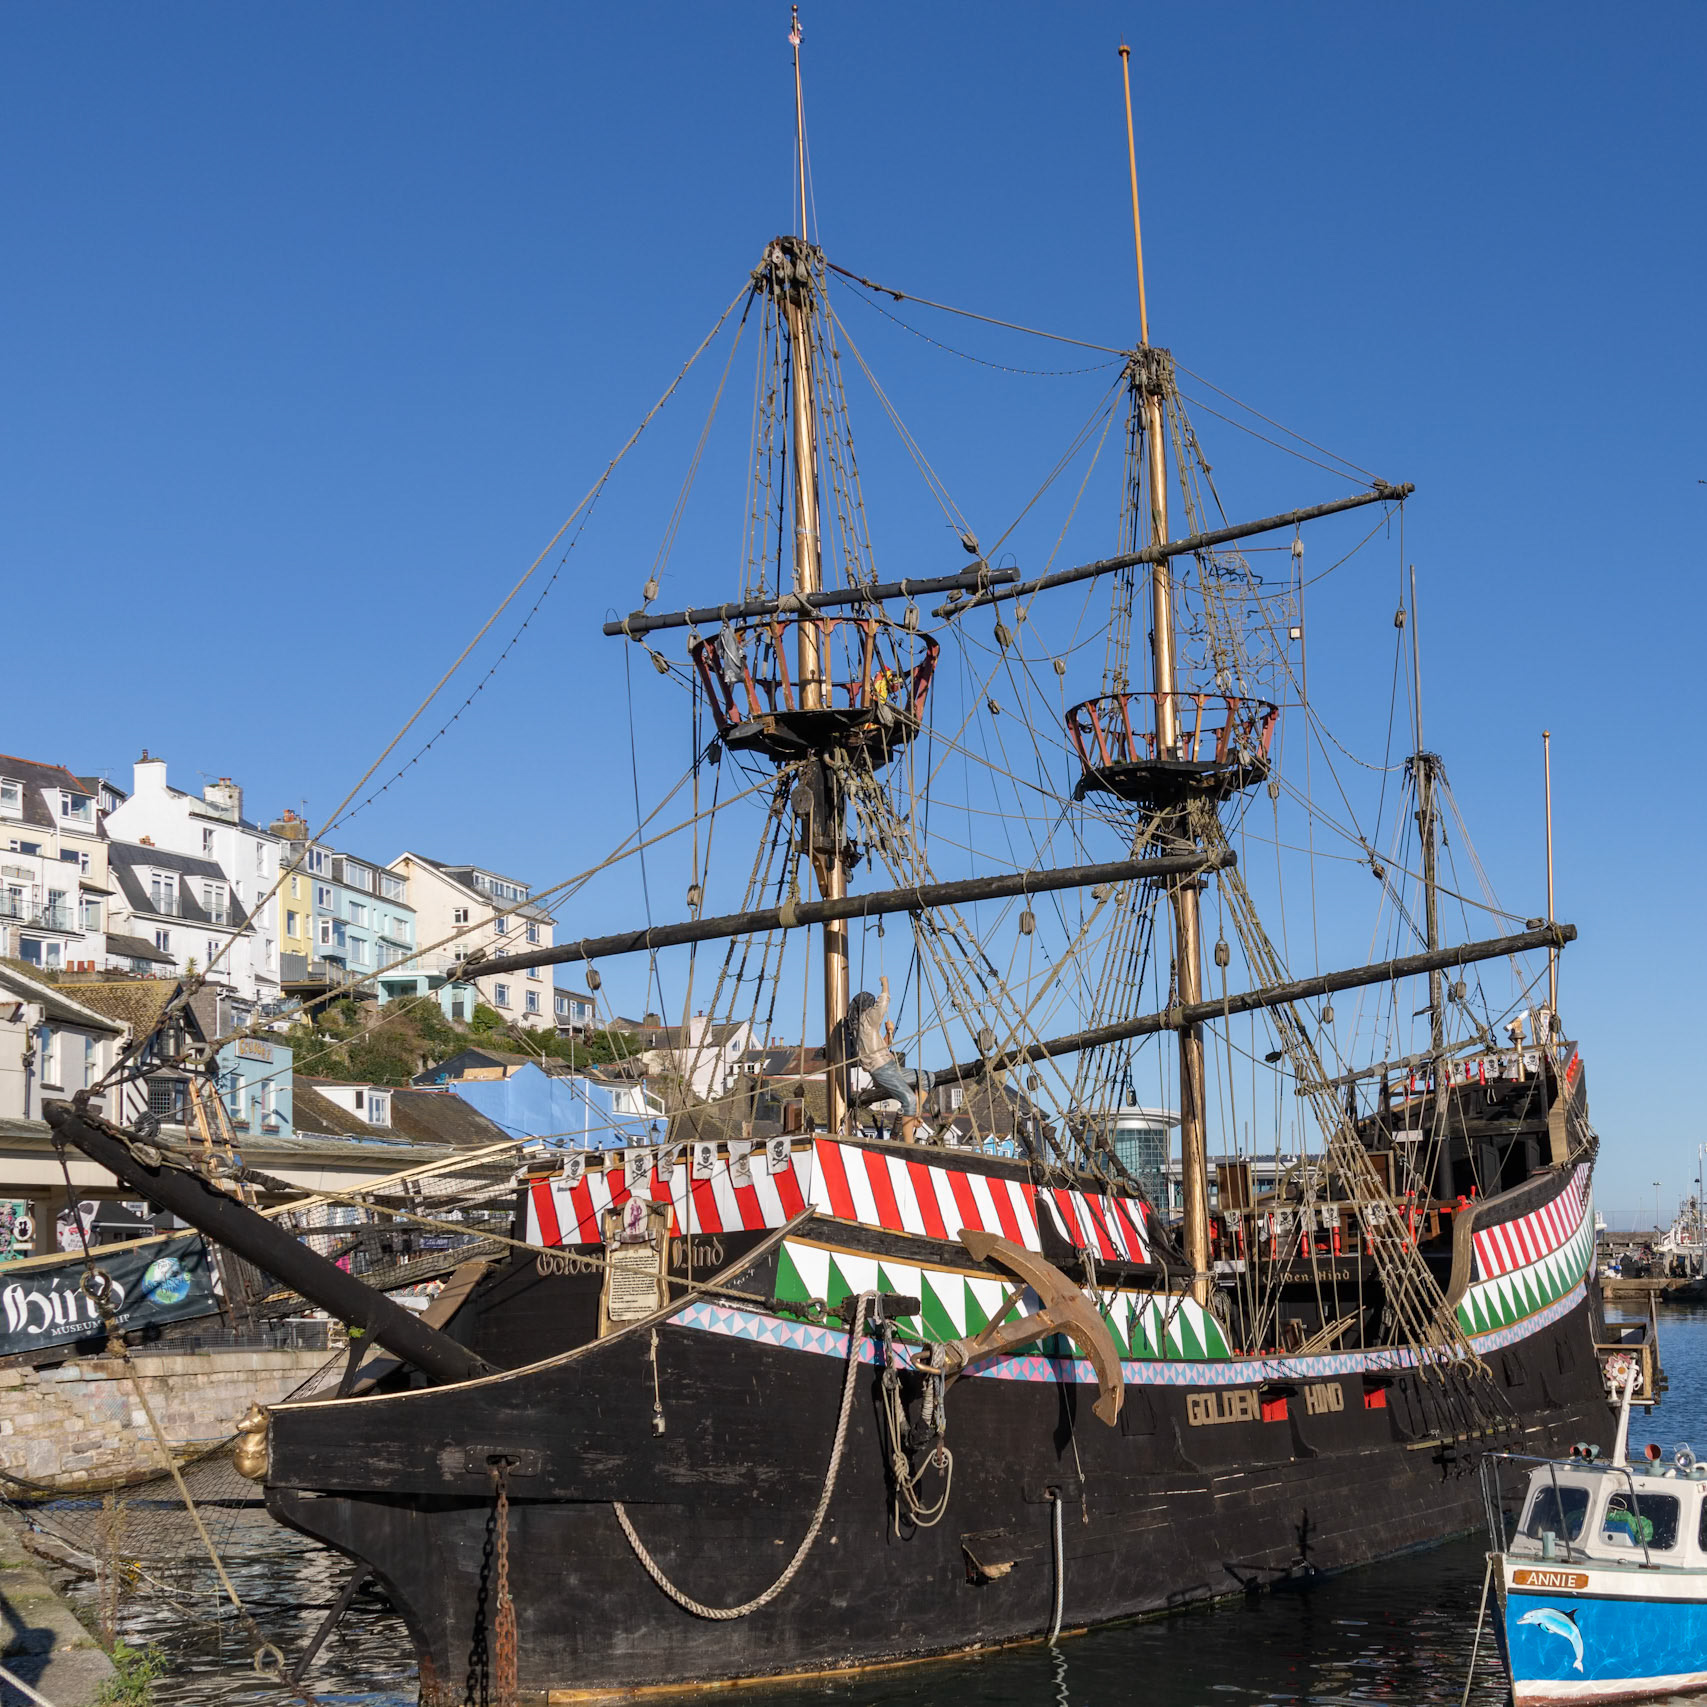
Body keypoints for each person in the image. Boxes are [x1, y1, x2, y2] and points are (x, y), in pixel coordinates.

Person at [850, 976, 921, 1134]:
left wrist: (889, 1033)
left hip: (887, 1065)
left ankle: (915, 1116)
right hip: (882, 1069)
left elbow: (881, 1047)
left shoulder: (866, 1030)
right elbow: (882, 1004)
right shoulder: (866, 1020)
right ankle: (909, 1142)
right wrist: (885, 984)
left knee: (926, 1079)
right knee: (909, 1099)